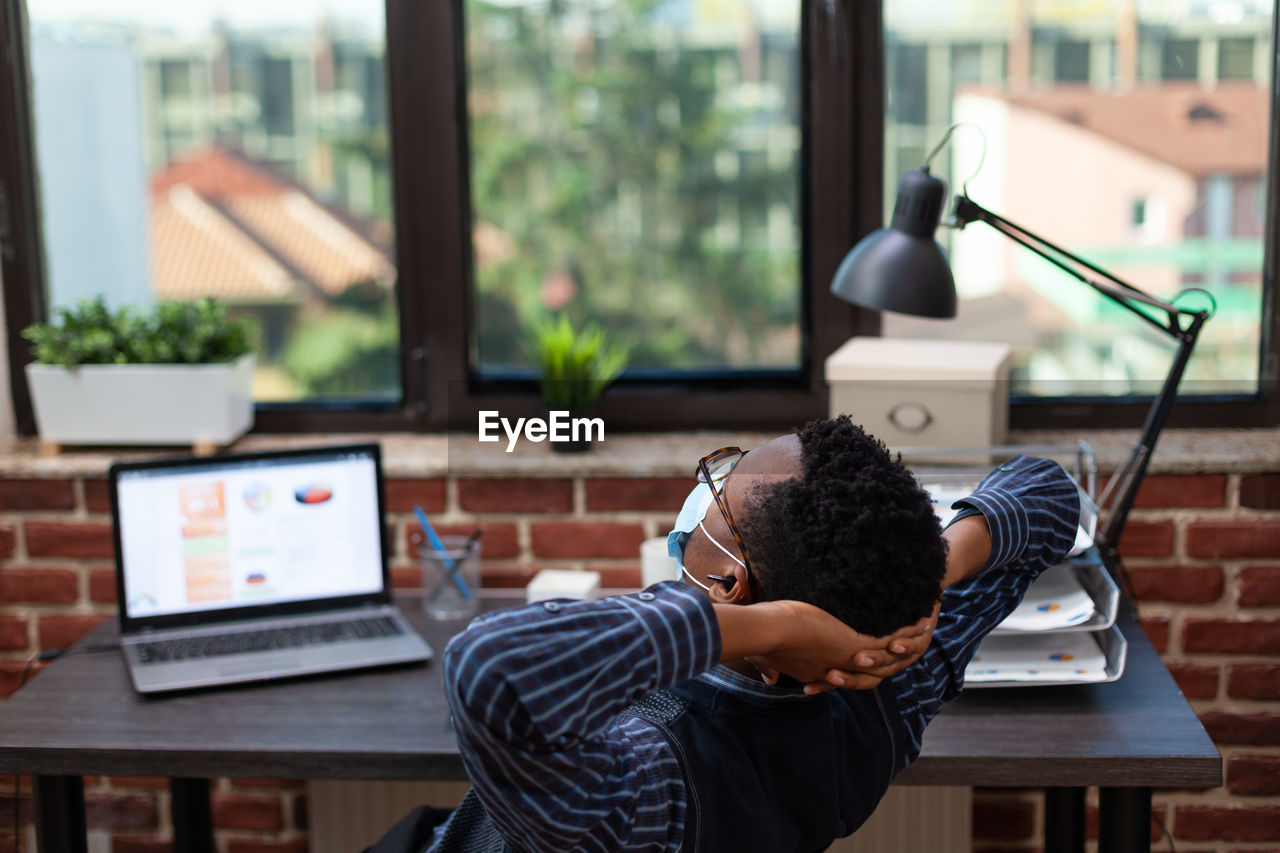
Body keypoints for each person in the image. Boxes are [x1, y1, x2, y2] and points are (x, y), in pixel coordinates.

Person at [415, 415, 1080, 852]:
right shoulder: (899, 677)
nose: (709, 488)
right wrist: (935, 569)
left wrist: (772, 624)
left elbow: (486, 666)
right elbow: (1049, 490)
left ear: (731, 583)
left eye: (721, 489)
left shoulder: (655, 785)